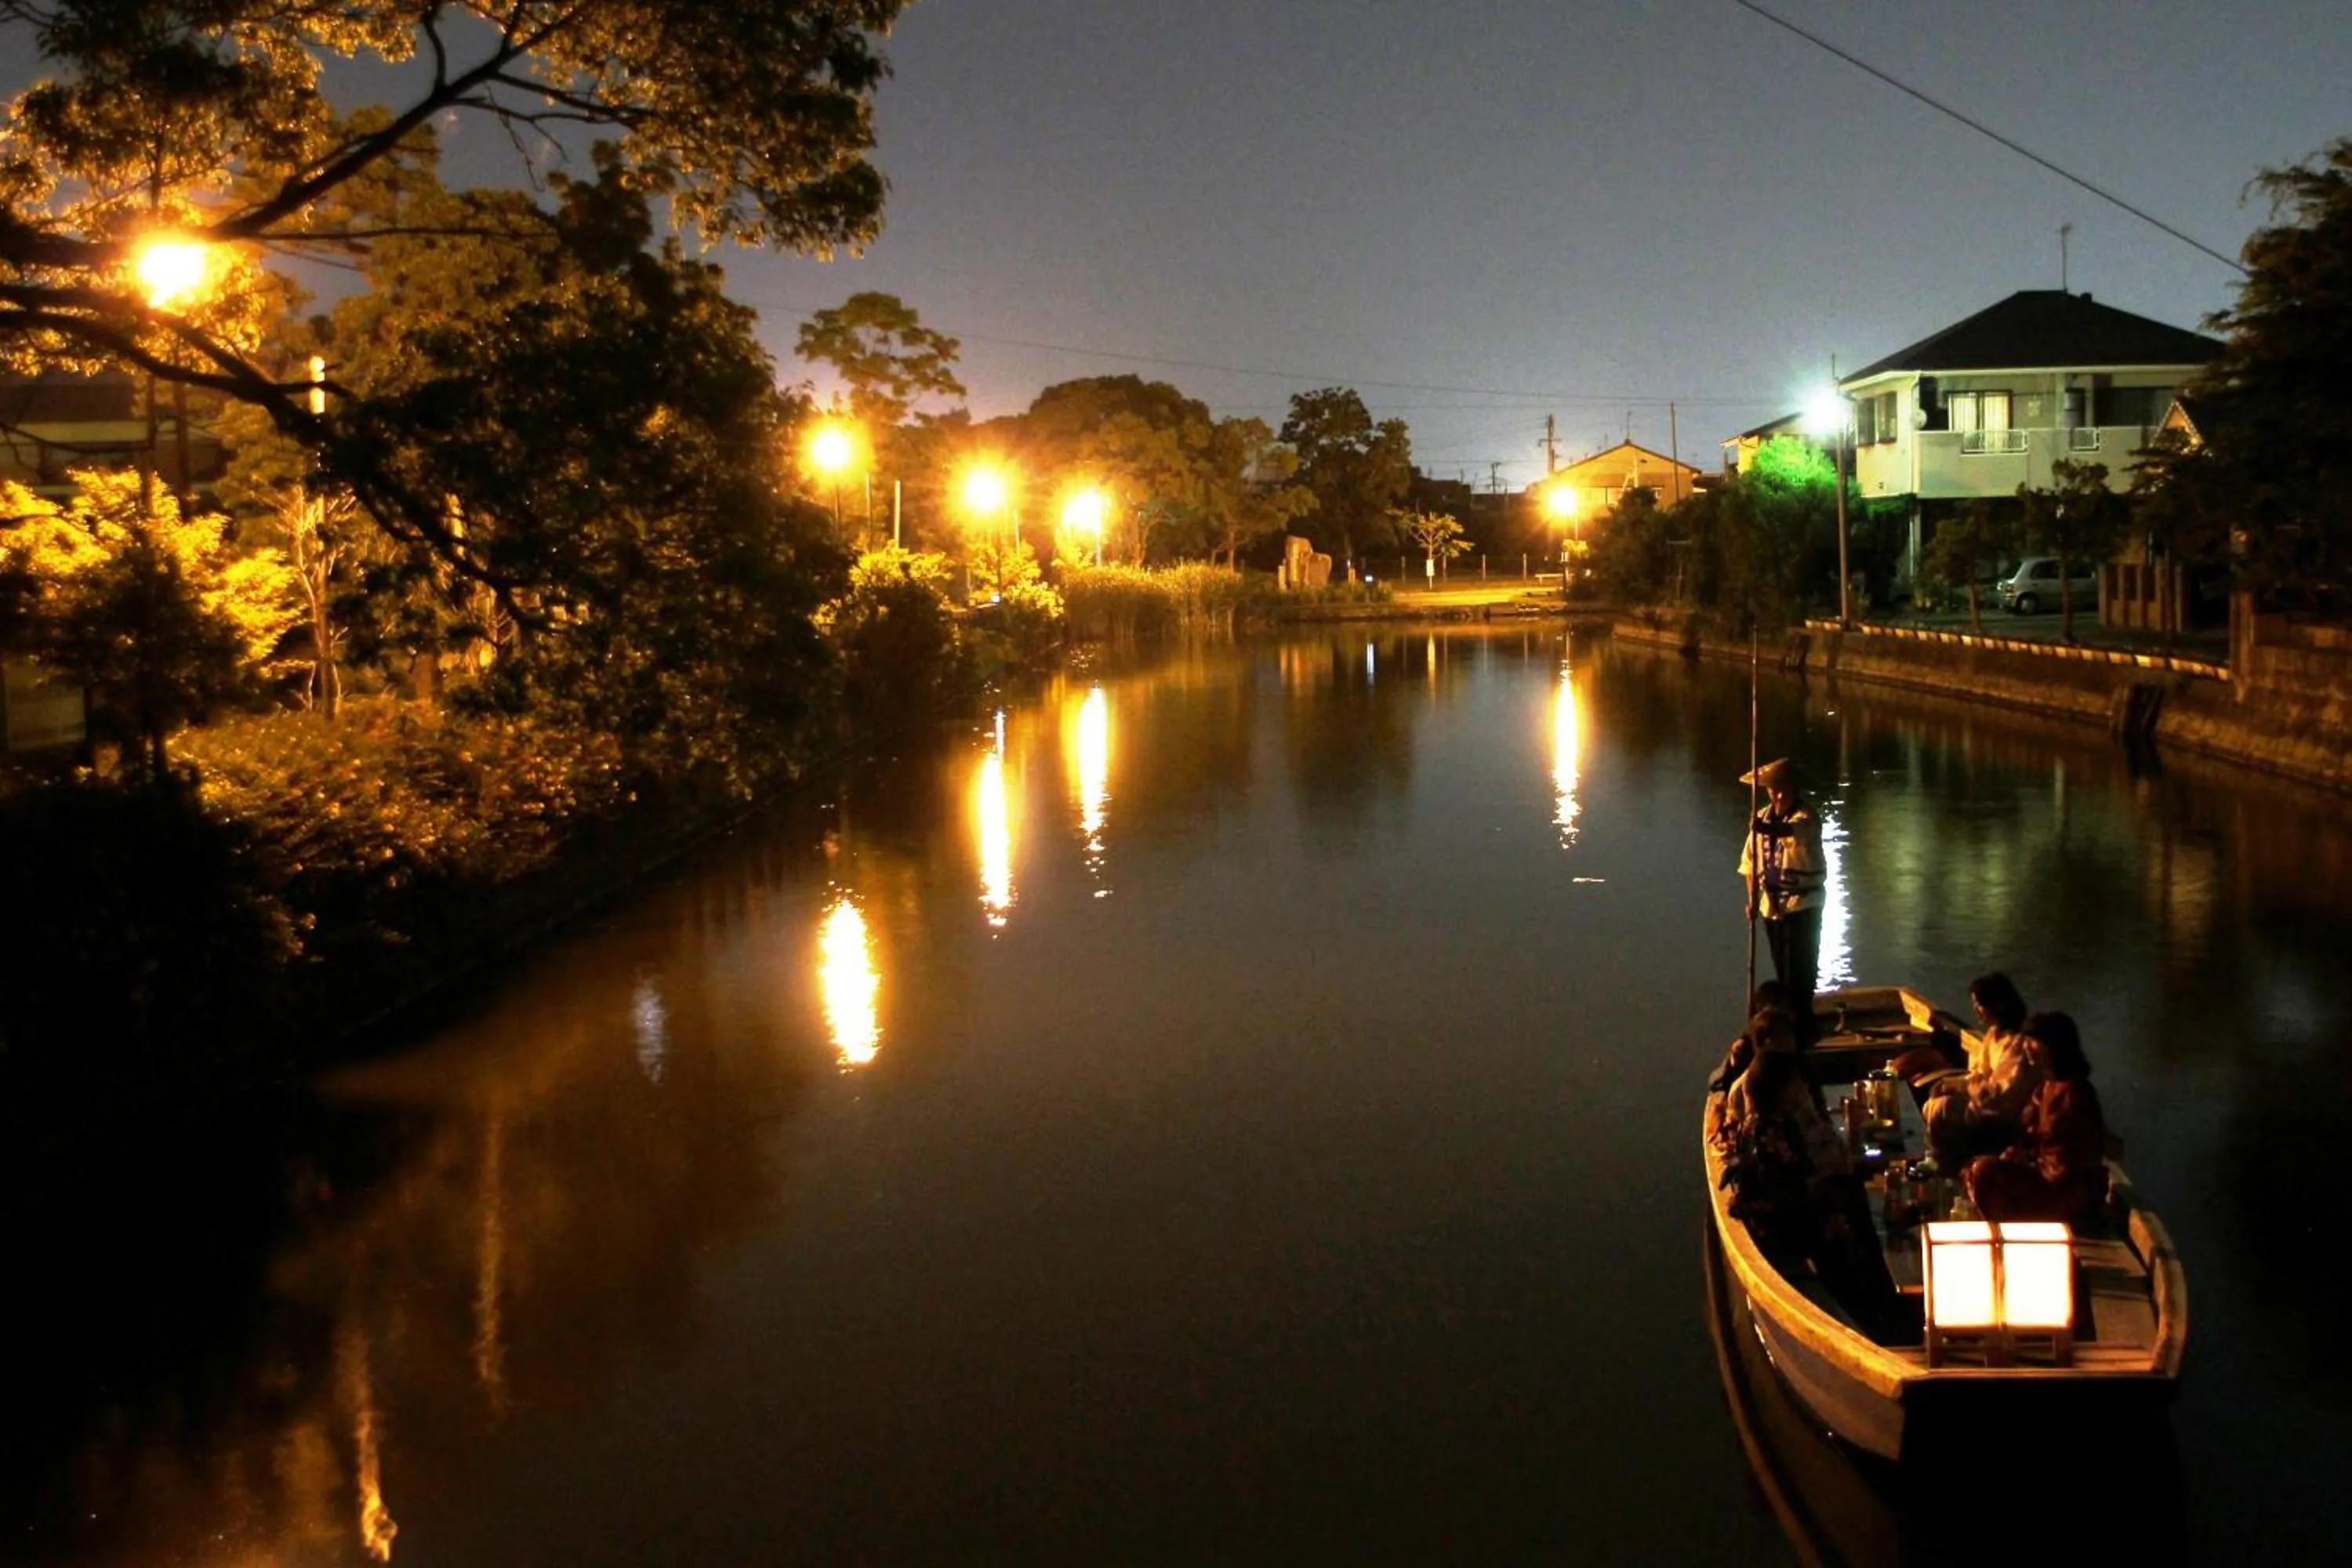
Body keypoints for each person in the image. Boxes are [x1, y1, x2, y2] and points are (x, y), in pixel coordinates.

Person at [1710, 1007, 1906, 1341]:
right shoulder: (1768, 1131)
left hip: (1801, 1200)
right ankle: (1871, 1307)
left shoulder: (1782, 1117)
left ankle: (1881, 1298)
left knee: (1854, 1199)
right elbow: (1792, 1186)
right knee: (1849, 1211)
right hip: (1788, 1218)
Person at [1964, 1011, 2111, 1229]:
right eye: (2028, 1046)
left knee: (1985, 1172)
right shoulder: (2045, 1086)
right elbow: (2029, 1133)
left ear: (2054, 1047)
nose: (2029, 1052)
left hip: (2068, 1190)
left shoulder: (2076, 1093)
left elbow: (2073, 1160)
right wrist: (2017, 1154)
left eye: (2034, 1046)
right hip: (2047, 1175)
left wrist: (2028, 1165)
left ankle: (2012, 1229)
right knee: (1976, 1167)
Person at [1904, 971, 2043, 1167]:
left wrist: (1963, 1090)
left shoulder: (2017, 1045)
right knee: (1937, 1098)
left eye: (1980, 1005)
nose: (1977, 1011)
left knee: (1941, 1108)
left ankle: (1947, 1163)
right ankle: (1944, 1159)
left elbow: (2002, 1095)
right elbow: (1978, 1074)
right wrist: (1952, 1084)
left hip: (2003, 1113)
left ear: (1998, 1005)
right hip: (1982, 1098)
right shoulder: (1994, 1035)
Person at [1737, 758, 1826, 1040]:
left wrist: (1766, 830)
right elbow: (1750, 865)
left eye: (1784, 790)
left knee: (1800, 968)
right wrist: (1752, 899)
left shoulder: (1807, 816)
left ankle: (1803, 1023)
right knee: (1782, 966)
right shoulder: (1761, 818)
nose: (1778, 795)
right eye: (1774, 790)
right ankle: (1787, 1024)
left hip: (1802, 905)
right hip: (1771, 905)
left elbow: (1795, 833)